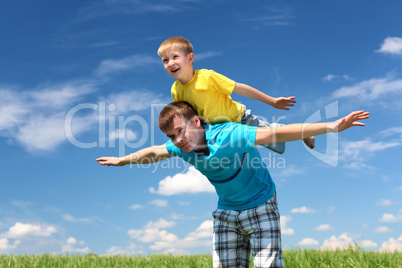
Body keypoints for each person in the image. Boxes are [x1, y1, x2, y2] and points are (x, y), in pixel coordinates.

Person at [96, 101, 369, 268]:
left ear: (197, 122)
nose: (177, 139)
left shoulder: (229, 135)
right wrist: (122, 160)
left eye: (180, 131)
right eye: (172, 135)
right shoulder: (181, 148)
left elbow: (276, 132)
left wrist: (332, 127)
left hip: (261, 203)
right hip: (226, 213)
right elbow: (153, 152)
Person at [157, 36, 316, 154]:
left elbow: (240, 88)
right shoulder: (175, 90)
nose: (170, 63)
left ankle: (304, 131)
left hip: (240, 120)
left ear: (190, 58)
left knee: (275, 138)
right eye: (165, 60)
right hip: (216, 130)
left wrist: (273, 101)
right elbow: (187, 118)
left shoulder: (207, 77)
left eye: (175, 57)